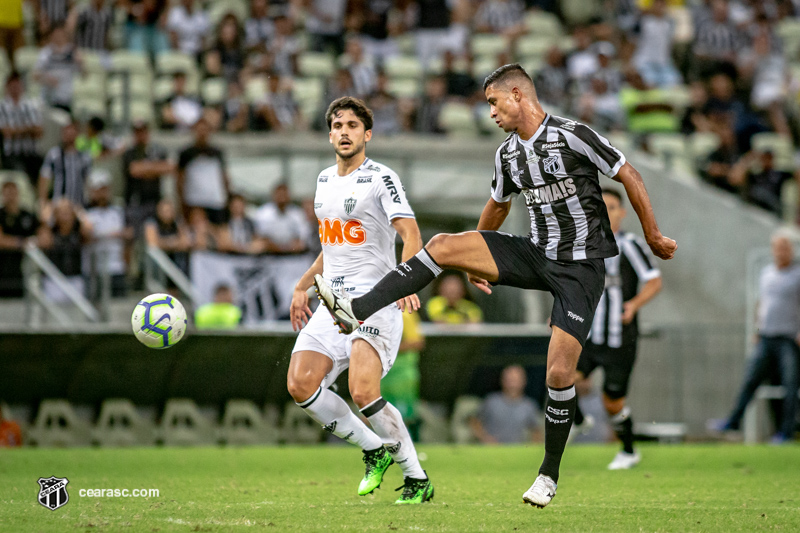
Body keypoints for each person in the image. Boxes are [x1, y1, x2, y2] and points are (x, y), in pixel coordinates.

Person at [315, 63, 677, 508]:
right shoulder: (507, 154)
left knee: (560, 374)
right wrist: (476, 260)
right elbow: (497, 206)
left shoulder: (573, 134)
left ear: (518, 95)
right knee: (446, 243)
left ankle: (548, 475)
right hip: (535, 254)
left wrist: (654, 233)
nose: (490, 112)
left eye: (493, 102)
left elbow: (630, 175)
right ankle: (358, 308)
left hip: (580, 269)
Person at [288, 96, 434, 504]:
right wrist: (303, 285)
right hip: (331, 302)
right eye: (337, 125)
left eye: (353, 125)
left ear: (367, 134)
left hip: (374, 299)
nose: (344, 132)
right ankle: (373, 449)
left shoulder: (381, 178)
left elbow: (412, 235)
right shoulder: (323, 182)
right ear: (329, 134)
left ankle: (416, 478)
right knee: (300, 384)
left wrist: (405, 283)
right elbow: (330, 249)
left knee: (363, 390)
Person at [574, 188, 663, 470]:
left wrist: (634, 304)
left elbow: (654, 281)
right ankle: (577, 420)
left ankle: (628, 451)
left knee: (612, 402)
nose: (606, 212)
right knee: (560, 375)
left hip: (620, 338)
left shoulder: (631, 245)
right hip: (589, 334)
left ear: (622, 213)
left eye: (612, 207)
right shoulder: (583, 245)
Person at [711, 233, 799, 444]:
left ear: (791, 250)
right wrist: (757, 328)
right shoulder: (767, 273)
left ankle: (786, 431)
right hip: (766, 337)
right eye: (777, 248)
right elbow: (762, 304)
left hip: (788, 338)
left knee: (790, 385)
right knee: (750, 380)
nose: (781, 252)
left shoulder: (797, 274)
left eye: (784, 248)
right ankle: (733, 421)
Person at [122, 120, 174, 237]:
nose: (140, 135)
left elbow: (169, 168)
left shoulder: (158, 151)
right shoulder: (129, 153)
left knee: (155, 234)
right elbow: (134, 170)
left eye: (143, 131)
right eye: (137, 132)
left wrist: (145, 168)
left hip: (155, 201)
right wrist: (154, 168)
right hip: (135, 201)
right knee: (132, 236)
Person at [84, 170, 130, 297]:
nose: (102, 194)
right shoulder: (84, 213)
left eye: (105, 189)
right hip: (94, 268)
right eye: (98, 189)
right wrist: (114, 234)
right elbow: (87, 236)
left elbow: (127, 235)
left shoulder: (118, 210)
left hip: (117, 267)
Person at [176, 117, 230, 225]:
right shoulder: (186, 154)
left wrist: (227, 195)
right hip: (194, 200)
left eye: (205, 130)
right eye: (199, 130)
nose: (202, 133)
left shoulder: (217, 153)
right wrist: (181, 200)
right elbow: (180, 178)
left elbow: (223, 176)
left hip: (215, 200)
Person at [470, 365, 541, 444]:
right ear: (502, 380)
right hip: (491, 449)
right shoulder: (491, 401)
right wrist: (484, 438)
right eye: (509, 380)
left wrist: (532, 446)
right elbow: (474, 421)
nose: (513, 384)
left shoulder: (529, 405)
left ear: (524, 381)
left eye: (516, 380)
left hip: (517, 450)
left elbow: (536, 430)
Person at [38, 119, 93, 214]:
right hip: (57, 204)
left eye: (72, 131)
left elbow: (88, 181)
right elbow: (44, 178)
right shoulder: (54, 154)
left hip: (78, 205)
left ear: (77, 134)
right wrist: (44, 203)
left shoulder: (85, 157)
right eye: (66, 131)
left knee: (88, 225)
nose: (69, 134)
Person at [0, 72, 44, 187]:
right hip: (11, 153)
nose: (15, 88)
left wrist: (17, 130)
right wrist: (28, 129)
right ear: (7, 87)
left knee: (45, 169)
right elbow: (6, 132)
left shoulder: (31, 106)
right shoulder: (2, 107)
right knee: (20, 172)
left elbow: (39, 131)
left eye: (17, 85)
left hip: (31, 152)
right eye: (12, 86)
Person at [0, 181, 42, 297]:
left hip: (22, 267)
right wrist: (22, 243)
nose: (11, 196)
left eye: (13, 192)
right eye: (7, 193)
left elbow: (43, 236)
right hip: (3, 267)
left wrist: (35, 242)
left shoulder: (27, 215)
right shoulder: (1, 215)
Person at [253, 182, 309, 254]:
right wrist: (278, 248)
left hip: (293, 254)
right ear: (273, 196)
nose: (282, 198)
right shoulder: (263, 213)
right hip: (269, 254)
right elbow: (261, 238)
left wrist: (288, 248)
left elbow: (301, 238)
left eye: (284, 195)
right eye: (279, 195)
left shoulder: (297, 214)